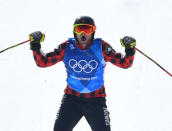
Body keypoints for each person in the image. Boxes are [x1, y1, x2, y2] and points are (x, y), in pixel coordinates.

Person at [29, 16, 136, 131]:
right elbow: (43, 62)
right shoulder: (67, 47)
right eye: (79, 29)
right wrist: (36, 46)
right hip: (72, 99)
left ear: (93, 32)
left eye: (88, 30)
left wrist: (129, 50)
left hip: (96, 100)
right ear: (74, 32)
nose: (83, 33)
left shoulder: (101, 47)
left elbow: (124, 63)